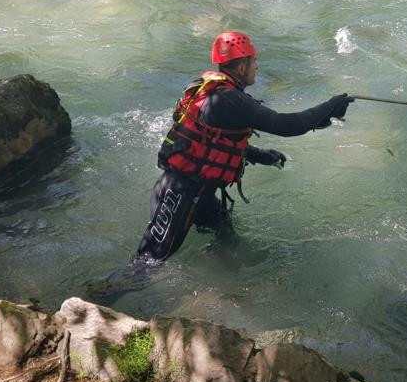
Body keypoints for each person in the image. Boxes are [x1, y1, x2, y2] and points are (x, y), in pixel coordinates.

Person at [133, 30, 354, 264]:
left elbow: (212, 142)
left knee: (225, 234)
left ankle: (224, 280)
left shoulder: (218, 94)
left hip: (196, 191)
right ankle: (100, 296)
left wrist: (261, 156)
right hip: (179, 194)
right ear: (241, 68)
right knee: (146, 265)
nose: (257, 66)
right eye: (254, 61)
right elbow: (287, 125)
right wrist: (330, 104)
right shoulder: (230, 100)